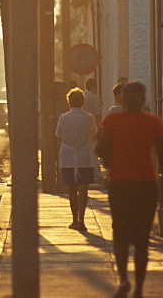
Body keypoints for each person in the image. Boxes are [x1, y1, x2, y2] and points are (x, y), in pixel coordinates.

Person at [96, 80, 163, 298]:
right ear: (143, 99)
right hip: (145, 184)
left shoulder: (113, 121)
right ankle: (139, 288)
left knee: (120, 233)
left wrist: (110, 159)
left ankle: (123, 280)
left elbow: (98, 147)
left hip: (120, 183)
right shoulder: (153, 122)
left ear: (122, 99)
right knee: (142, 238)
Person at [55, 87, 98, 231]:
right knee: (83, 188)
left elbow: (58, 135)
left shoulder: (63, 117)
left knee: (71, 189)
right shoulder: (89, 117)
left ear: (69, 102)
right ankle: (82, 220)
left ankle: (74, 220)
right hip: (84, 155)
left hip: (67, 155)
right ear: (83, 102)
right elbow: (94, 134)